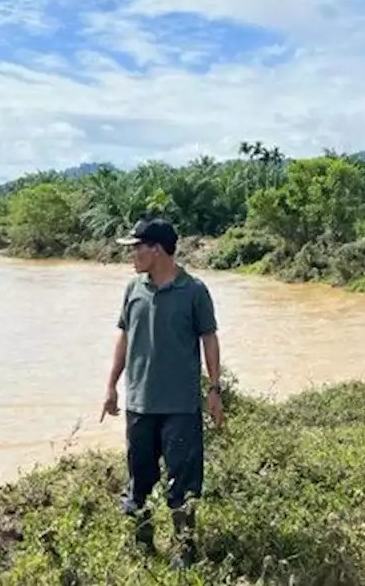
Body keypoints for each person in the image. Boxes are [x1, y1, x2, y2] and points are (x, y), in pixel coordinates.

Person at [101, 218, 224, 570]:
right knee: (138, 479)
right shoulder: (133, 289)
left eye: (137, 247)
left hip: (181, 406)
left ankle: (184, 551)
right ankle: (142, 546)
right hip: (139, 403)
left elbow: (209, 338)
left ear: (157, 249)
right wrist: (111, 386)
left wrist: (214, 389)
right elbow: (123, 337)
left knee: (183, 482)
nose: (132, 255)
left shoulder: (194, 291)